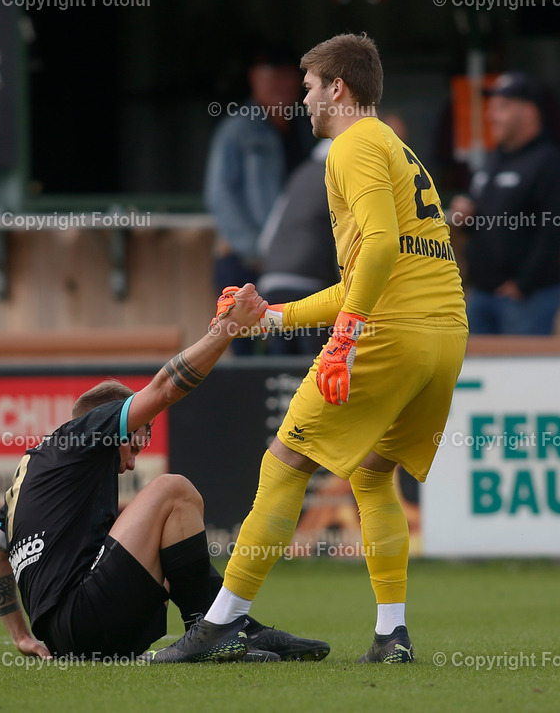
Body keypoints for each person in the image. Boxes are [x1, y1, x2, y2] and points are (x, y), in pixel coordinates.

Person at [146, 33, 468, 664]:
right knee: (374, 476)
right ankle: (391, 636)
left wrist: (346, 336)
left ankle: (218, 627)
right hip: (443, 336)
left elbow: (376, 249)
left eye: (310, 88)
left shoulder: (350, 146)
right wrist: (271, 319)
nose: (306, 101)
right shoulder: (397, 151)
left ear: (337, 88)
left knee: (284, 462)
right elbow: (366, 273)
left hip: (389, 331)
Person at [0, 284, 330, 664]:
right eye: (133, 446)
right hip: (84, 619)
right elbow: (162, 389)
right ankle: (209, 629)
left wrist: (22, 637)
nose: (129, 464)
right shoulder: (84, 433)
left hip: (75, 636)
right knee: (173, 491)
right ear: (109, 422)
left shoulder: (33, 472)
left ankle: (235, 625)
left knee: (170, 539)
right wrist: (226, 329)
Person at [204, 46, 315, 354]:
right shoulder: (238, 129)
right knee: (248, 357)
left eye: (286, 76)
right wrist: (259, 250)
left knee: (292, 358)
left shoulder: (308, 127)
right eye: (271, 76)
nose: (280, 84)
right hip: (245, 264)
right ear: (254, 78)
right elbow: (219, 196)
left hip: (292, 265)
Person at [448, 71, 560, 336]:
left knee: (525, 375)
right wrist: (467, 216)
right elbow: (489, 220)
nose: (491, 115)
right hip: (481, 294)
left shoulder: (550, 162)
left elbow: (554, 232)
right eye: (491, 108)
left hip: (527, 299)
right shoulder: (493, 159)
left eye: (502, 107)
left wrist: (523, 285)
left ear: (529, 112)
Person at [257, 137, 339, 355]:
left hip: (272, 283)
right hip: (310, 287)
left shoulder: (300, 174)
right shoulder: (341, 174)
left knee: (276, 376)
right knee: (314, 367)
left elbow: (266, 239)